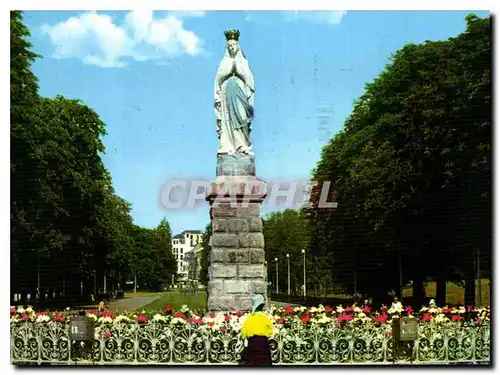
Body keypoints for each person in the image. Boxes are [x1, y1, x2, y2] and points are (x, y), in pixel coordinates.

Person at [214, 29, 255, 156]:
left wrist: (238, 70)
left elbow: (250, 81)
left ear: (238, 46)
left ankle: (243, 146)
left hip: (240, 94)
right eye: (229, 46)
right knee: (229, 121)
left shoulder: (243, 62)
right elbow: (218, 80)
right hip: (226, 96)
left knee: (242, 118)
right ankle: (228, 146)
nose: (232, 48)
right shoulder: (224, 62)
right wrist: (228, 71)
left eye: (233, 45)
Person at [240, 294, 273, 366]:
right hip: (263, 343)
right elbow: (270, 331)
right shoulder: (265, 317)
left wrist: (245, 338)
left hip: (252, 342)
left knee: (252, 362)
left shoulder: (249, 318)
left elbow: (243, 332)